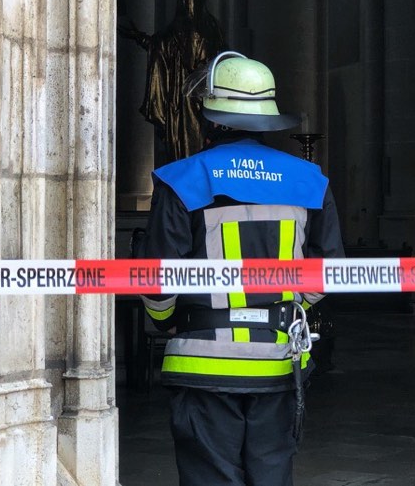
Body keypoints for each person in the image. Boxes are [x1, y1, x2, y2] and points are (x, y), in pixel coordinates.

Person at [133, 51, 344, 485]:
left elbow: (157, 279)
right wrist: (288, 311)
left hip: (203, 361)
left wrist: (167, 321)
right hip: (279, 359)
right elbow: (328, 270)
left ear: (211, 115)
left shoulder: (181, 178)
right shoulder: (309, 180)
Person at [119, 0, 226, 161]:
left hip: (179, 102)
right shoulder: (211, 28)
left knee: (181, 150)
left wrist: (138, 36)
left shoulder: (179, 31)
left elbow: (157, 45)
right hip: (199, 102)